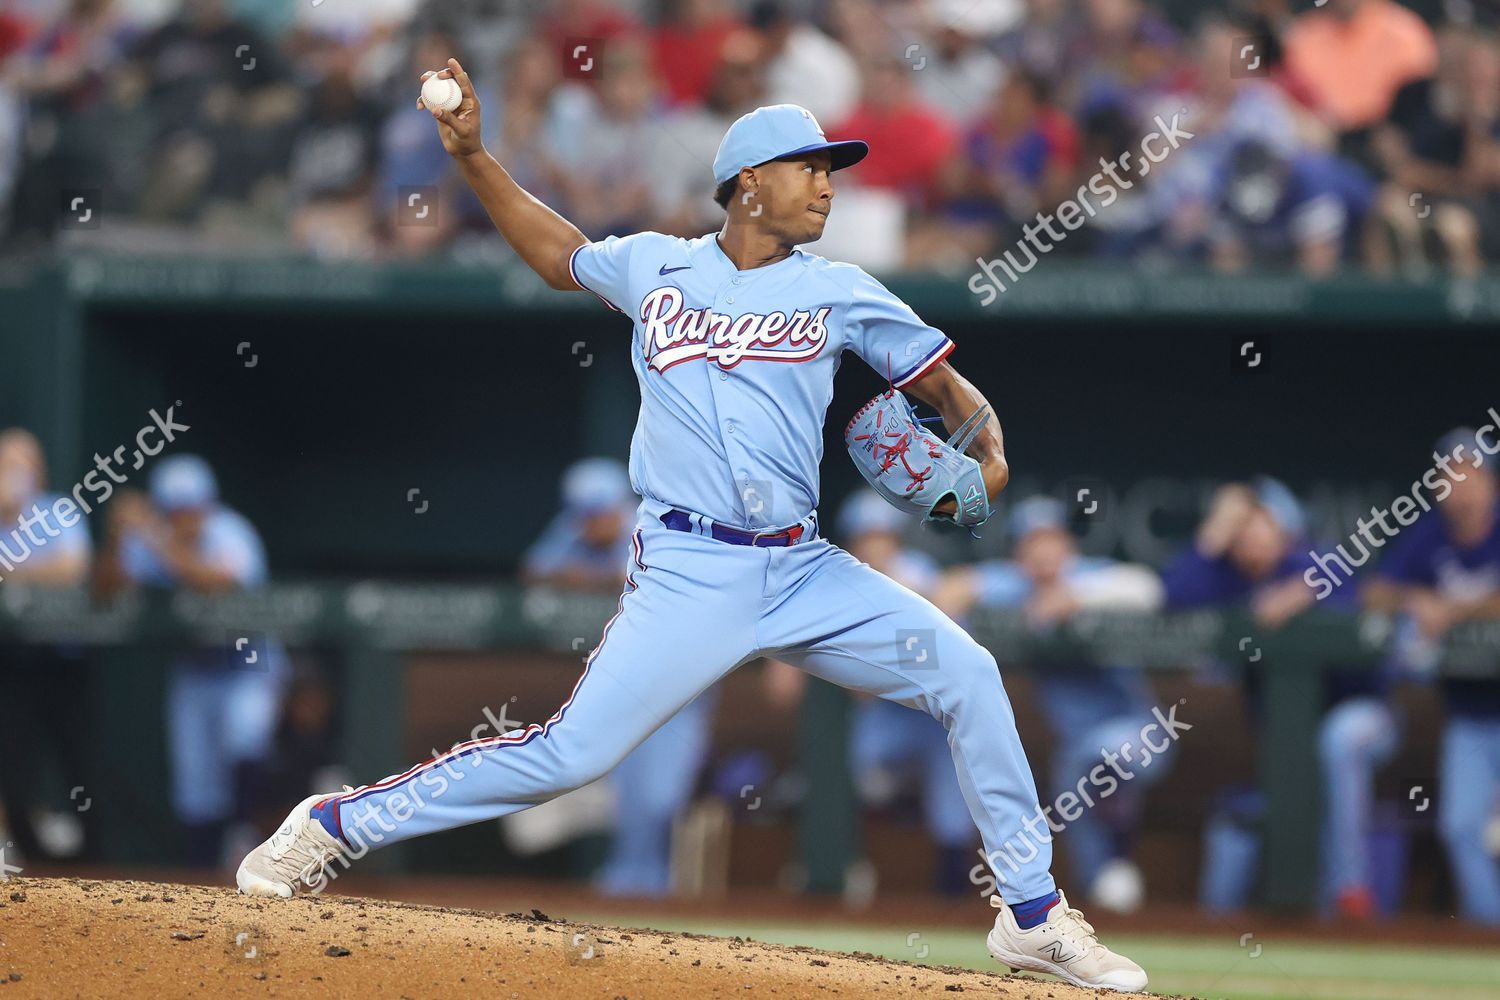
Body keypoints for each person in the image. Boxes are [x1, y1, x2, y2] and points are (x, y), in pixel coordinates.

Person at [238, 59, 1147, 993]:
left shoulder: (840, 289)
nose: (829, 185)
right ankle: (332, 826)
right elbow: (559, 255)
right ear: (749, 181)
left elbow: (952, 395)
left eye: (834, 170)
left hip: (803, 570)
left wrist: (984, 465)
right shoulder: (655, 264)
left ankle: (1033, 915)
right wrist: (473, 157)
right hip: (688, 568)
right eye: (811, 168)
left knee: (969, 672)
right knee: (568, 755)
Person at [934, 496, 1167, 913]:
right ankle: (1104, 887)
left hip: (1137, 731)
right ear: (1019, 554)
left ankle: (1120, 856)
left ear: (1068, 546)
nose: (1042, 552)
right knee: (1071, 789)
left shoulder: (1092, 577)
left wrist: (1077, 596)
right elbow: (955, 586)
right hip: (1073, 746)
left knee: (1106, 755)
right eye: (1031, 543)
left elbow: (1148, 589)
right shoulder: (1017, 586)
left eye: (1051, 540)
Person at [524, 456, 718, 897]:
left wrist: (585, 577)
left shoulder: (645, 523)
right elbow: (535, 568)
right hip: (627, 683)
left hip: (681, 683)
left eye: (599, 514)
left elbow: (628, 575)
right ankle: (629, 882)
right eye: (586, 516)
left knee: (662, 794)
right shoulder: (576, 528)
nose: (592, 524)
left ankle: (662, 885)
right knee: (628, 791)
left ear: (616, 506)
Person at [95, 454, 287, 867]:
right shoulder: (154, 538)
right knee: (196, 785)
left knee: (245, 735)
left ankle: (247, 836)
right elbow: (107, 589)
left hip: (246, 661)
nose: (188, 519)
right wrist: (116, 537)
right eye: (177, 511)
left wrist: (151, 536)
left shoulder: (231, 532)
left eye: (195, 508)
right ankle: (200, 885)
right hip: (196, 669)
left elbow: (217, 582)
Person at [1365, 428, 1500, 926]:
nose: (1457, 482)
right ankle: (1491, 938)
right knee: (1462, 826)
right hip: (1470, 714)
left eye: (1469, 471)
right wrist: (1414, 599)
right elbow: (1376, 591)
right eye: (1448, 473)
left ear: (1490, 481)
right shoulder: (1430, 533)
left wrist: (1455, 610)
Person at [0, 428, 94, 863]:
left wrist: (13, 571)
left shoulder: (58, 510)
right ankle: (30, 856)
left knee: (79, 762)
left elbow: (73, 569)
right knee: (14, 763)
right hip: (11, 662)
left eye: (22, 465)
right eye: (6, 465)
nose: (14, 475)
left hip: (62, 659)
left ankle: (97, 859)